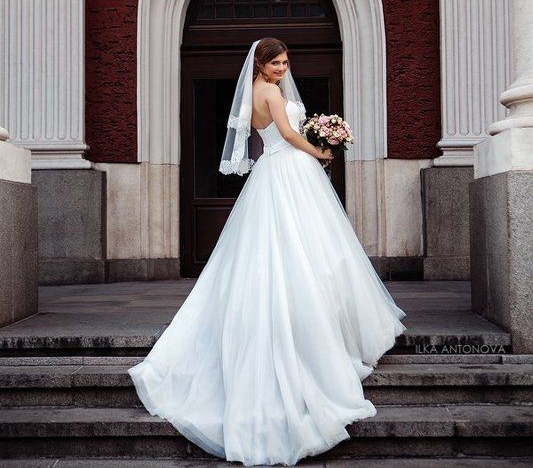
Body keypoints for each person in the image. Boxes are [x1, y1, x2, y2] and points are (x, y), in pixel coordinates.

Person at [128, 37, 407, 466]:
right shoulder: (271, 93)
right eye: (276, 62)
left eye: (285, 62)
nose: (282, 69)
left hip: (272, 172)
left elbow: (272, 135)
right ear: (261, 64)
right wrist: (321, 151)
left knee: (291, 248)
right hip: (289, 170)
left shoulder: (254, 93)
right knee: (303, 247)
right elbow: (290, 134)